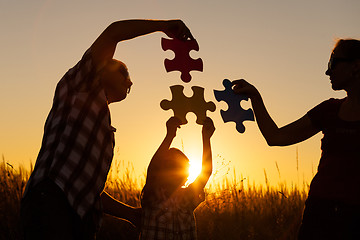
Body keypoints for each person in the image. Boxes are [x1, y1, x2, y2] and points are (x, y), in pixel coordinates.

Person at [20, 19, 195, 240]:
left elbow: (89, 191)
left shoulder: (103, 125)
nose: (129, 81)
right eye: (124, 72)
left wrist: (130, 214)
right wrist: (163, 26)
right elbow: (113, 33)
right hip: (50, 203)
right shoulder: (78, 87)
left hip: (76, 218)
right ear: (101, 68)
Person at [232, 39, 360, 239]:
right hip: (319, 213)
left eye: (333, 63)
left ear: (356, 65)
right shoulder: (328, 110)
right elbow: (276, 136)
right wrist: (255, 97)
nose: (328, 71)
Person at [140, 116, 215, 240]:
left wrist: (206, 138)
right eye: (170, 166)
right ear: (161, 171)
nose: (175, 172)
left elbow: (206, 172)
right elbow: (152, 168)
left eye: (180, 167)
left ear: (186, 174)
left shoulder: (186, 198)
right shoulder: (153, 196)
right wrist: (170, 135)